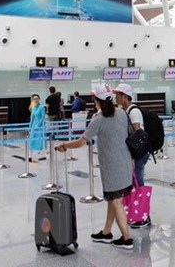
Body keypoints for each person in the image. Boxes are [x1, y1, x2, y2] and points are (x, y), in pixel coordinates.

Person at [55, 84, 134, 250]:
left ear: (96, 100)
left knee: (116, 201)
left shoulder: (98, 119)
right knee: (113, 199)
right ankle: (106, 232)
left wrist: (64, 145)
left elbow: (81, 142)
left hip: (112, 165)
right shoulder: (121, 113)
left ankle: (127, 239)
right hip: (126, 161)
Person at [114, 83, 151, 229]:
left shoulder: (133, 111)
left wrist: (133, 157)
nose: (116, 98)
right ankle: (137, 213)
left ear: (125, 96)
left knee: (138, 182)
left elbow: (137, 134)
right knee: (133, 182)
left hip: (138, 154)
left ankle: (143, 215)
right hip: (134, 154)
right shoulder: (125, 110)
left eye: (118, 95)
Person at [28, 94, 46, 162]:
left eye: (37, 98)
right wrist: (30, 126)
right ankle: (31, 155)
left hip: (39, 126)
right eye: (34, 99)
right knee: (32, 140)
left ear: (39, 99)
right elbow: (32, 118)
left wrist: (38, 126)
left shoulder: (41, 107)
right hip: (33, 126)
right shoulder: (33, 107)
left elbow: (42, 117)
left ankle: (38, 154)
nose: (36, 100)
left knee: (39, 141)